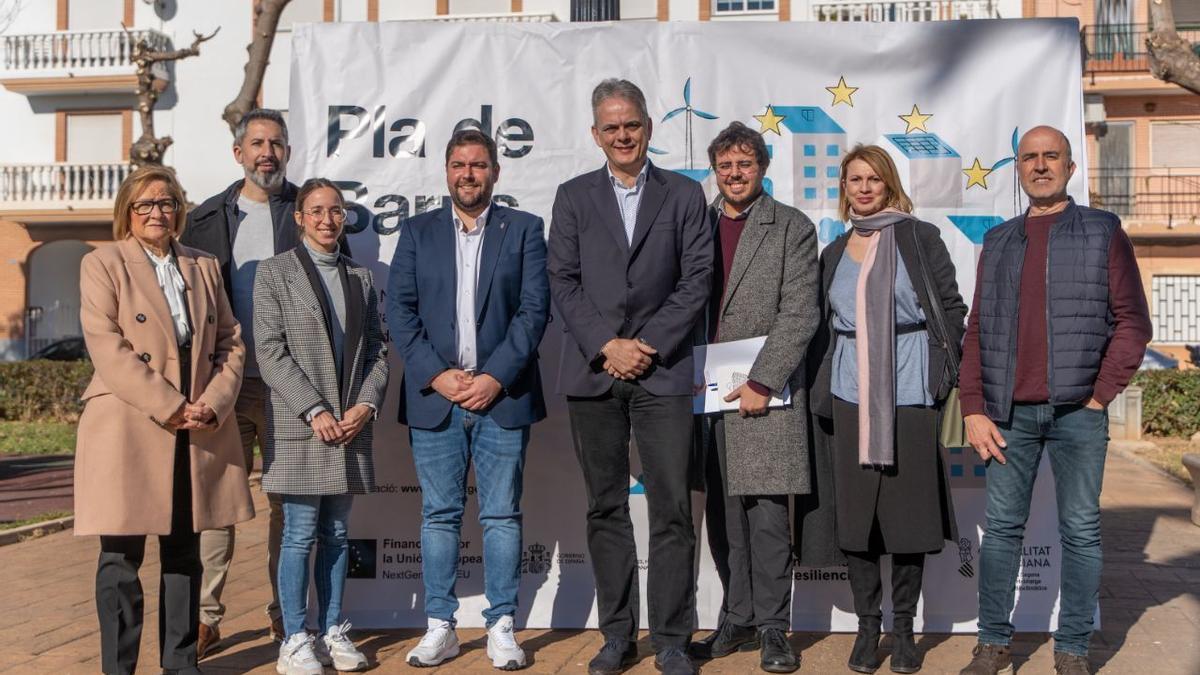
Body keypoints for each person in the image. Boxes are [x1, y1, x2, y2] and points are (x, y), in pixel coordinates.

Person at [958, 126, 1151, 675]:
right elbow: (977, 330)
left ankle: (1072, 650)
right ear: (1017, 169)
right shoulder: (998, 240)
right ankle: (992, 643)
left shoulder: (1101, 230)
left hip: (1077, 415)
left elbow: (1133, 322)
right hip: (1008, 414)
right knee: (1000, 532)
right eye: (1029, 157)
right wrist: (974, 405)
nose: (1040, 165)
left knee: (1082, 530)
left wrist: (1099, 396)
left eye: (1051, 156)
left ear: (1070, 167)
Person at [547, 78, 712, 675]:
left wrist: (645, 345)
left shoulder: (685, 194)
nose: (623, 135)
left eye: (632, 124)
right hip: (594, 374)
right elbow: (561, 280)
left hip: (663, 371)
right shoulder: (572, 197)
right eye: (611, 127)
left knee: (672, 509)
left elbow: (697, 278)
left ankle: (672, 638)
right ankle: (617, 636)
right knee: (605, 508)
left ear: (648, 127)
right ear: (596, 134)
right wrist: (606, 345)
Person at [74, 165, 254, 675]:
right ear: (127, 212)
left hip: (196, 427)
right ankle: (119, 667)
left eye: (167, 202)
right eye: (146, 204)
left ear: (180, 210)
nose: (158, 212)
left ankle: (181, 664)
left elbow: (230, 341)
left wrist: (213, 402)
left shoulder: (202, 265)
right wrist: (170, 405)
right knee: (120, 558)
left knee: (184, 553)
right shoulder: (102, 263)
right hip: (131, 424)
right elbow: (108, 347)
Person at [387, 129, 550, 671]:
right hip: (437, 398)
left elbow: (533, 313)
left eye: (478, 165)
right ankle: (441, 626)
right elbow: (401, 314)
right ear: (446, 171)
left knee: (501, 514)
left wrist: (494, 378)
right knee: (439, 515)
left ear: (496, 172)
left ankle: (502, 624)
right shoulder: (416, 232)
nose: (468, 174)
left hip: (500, 397)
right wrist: (437, 376)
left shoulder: (524, 229)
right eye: (458, 165)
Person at [180, 108, 341, 654]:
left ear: (288, 152)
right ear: (238, 153)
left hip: (291, 388)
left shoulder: (303, 213)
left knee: (289, 506)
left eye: (276, 142)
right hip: (224, 384)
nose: (266, 151)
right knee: (217, 504)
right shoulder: (204, 220)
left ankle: (284, 610)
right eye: (256, 143)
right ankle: (206, 616)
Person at [809, 144, 965, 674]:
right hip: (851, 393)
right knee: (856, 521)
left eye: (874, 178)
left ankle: (903, 629)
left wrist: (944, 373)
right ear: (845, 188)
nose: (865, 187)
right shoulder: (832, 252)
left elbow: (950, 309)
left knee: (908, 518)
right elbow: (823, 326)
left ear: (889, 183)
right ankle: (867, 626)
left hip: (910, 393)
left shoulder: (920, 238)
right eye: (855, 179)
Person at [687, 122, 819, 674]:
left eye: (744, 164)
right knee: (723, 515)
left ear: (761, 168)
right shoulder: (697, 224)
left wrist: (764, 381)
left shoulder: (791, 227)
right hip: (706, 391)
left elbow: (800, 311)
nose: (734, 175)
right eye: (725, 166)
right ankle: (736, 618)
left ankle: (772, 628)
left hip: (767, 392)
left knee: (767, 518)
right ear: (715, 172)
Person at [253, 178, 389, 675]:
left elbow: (378, 350)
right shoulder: (274, 273)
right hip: (302, 426)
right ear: (300, 217)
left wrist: (365, 406)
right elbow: (268, 350)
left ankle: (332, 629)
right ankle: (294, 638)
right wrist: (314, 409)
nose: (328, 219)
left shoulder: (362, 276)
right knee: (299, 534)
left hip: (350, 426)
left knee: (336, 533)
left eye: (336, 210)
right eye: (317, 211)